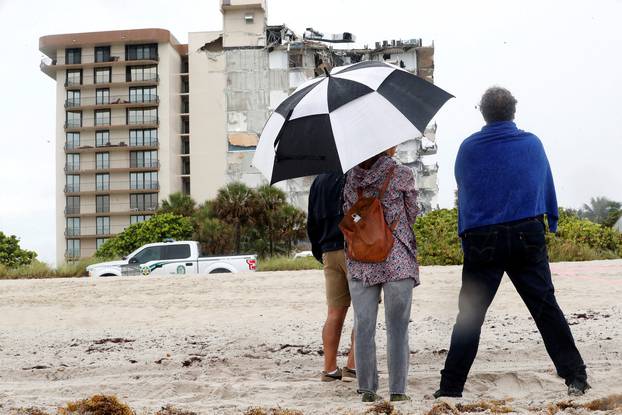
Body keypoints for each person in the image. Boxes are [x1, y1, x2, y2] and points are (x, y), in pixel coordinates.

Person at [434, 87, 589, 398]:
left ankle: (450, 387)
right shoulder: (532, 143)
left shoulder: (468, 148)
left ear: (483, 112)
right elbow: (545, 184)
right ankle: (576, 377)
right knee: (545, 308)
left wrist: (468, 233)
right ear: (513, 112)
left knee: (470, 316)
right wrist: (552, 221)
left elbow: (466, 190)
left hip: (483, 239)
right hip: (525, 235)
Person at [343, 147, 419, 402]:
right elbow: (413, 213)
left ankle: (367, 389)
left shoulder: (351, 178)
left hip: (361, 257)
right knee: (397, 328)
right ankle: (397, 391)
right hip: (396, 256)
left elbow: (349, 216)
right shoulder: (402, 173)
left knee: (363, 325)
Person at [307, 173, 356, 382]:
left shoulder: (319, 181)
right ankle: (353, 367)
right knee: (364, 312)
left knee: (334, 313)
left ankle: (329, 368)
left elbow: (312, 222)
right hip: (355, 250)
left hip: (328, 250)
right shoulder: (355, 175)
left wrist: (321, 251)